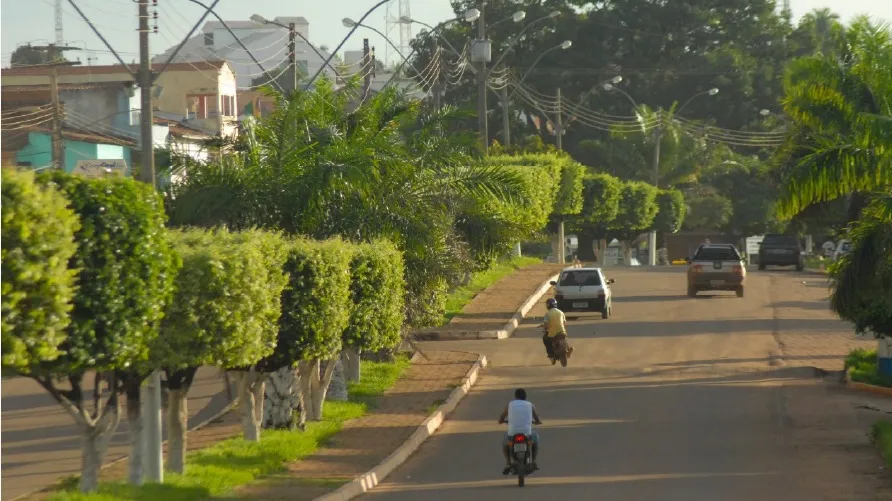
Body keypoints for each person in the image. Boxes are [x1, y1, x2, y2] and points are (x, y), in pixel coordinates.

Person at [498, 388, 542, 474]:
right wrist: (537, 422)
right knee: (535, 439)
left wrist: (501, 421)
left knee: (505, 443)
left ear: (516, 396)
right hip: (527, 433)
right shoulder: (530, 405)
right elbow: (537, 418)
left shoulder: (510, 405)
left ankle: (508, 462)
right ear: (525, 397)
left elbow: (502, 416)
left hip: (512, 433)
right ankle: (533, 461)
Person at [541, 298, 572, 364]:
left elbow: (546, 325)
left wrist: (545, 328)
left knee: (545, 339)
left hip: (552, 334)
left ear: (548, 305)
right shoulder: (561, 312)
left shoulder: (547, 314)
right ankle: (567, 349)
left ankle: (551, 355)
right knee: (564, 337)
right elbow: (564, 323)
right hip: (562, 331)